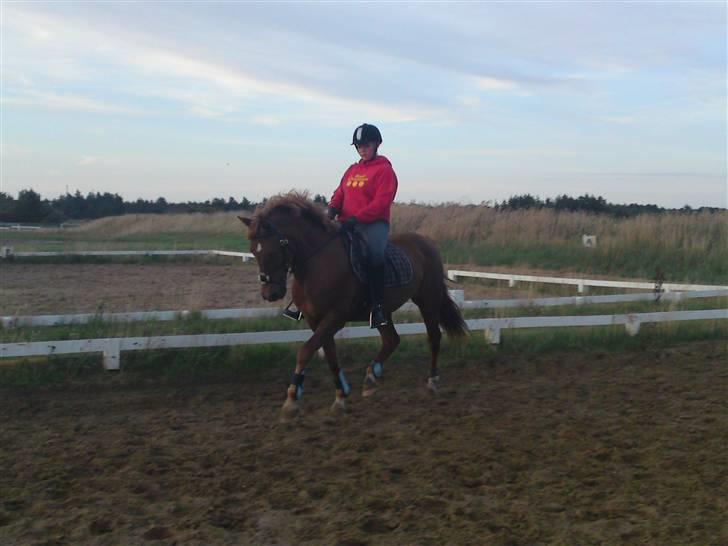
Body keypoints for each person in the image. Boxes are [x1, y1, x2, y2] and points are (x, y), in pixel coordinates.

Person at [328, 123, 398, 328]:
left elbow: (381, 202)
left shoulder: (385, 171)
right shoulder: (352, 170)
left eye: (366, 145)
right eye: (358, 146)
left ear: (376, 144)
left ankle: (377, 307)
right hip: (346, 223)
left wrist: (356, 218)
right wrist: (332, 209)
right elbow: (340, 192)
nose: (362, 149)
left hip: (373, 224)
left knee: (375, 254)